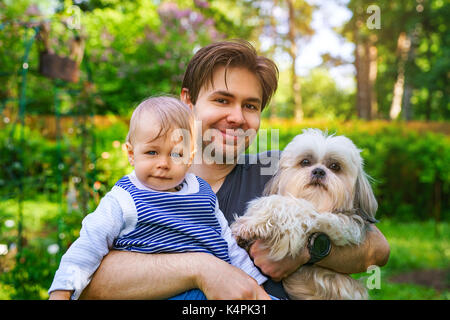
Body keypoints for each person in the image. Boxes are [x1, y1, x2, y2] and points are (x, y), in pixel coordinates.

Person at [50, 39, 390, 300]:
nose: (237, 117)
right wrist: (201, 268)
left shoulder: (279, 169)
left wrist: (306, 251)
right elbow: (93, 281)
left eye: (250, 106)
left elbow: (376, 249)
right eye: (222, 100)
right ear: (188, 101)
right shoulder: (150, 180)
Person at [48, 96, 271, 300]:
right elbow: (88, 245)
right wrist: (61, 292)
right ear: (131, 154)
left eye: (176, 154)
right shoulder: (124, 199)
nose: (163, 163)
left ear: (189, 157)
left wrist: (255, 285)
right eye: (152, 152)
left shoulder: (202, 192)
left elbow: (228, 243)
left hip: (213, 290)